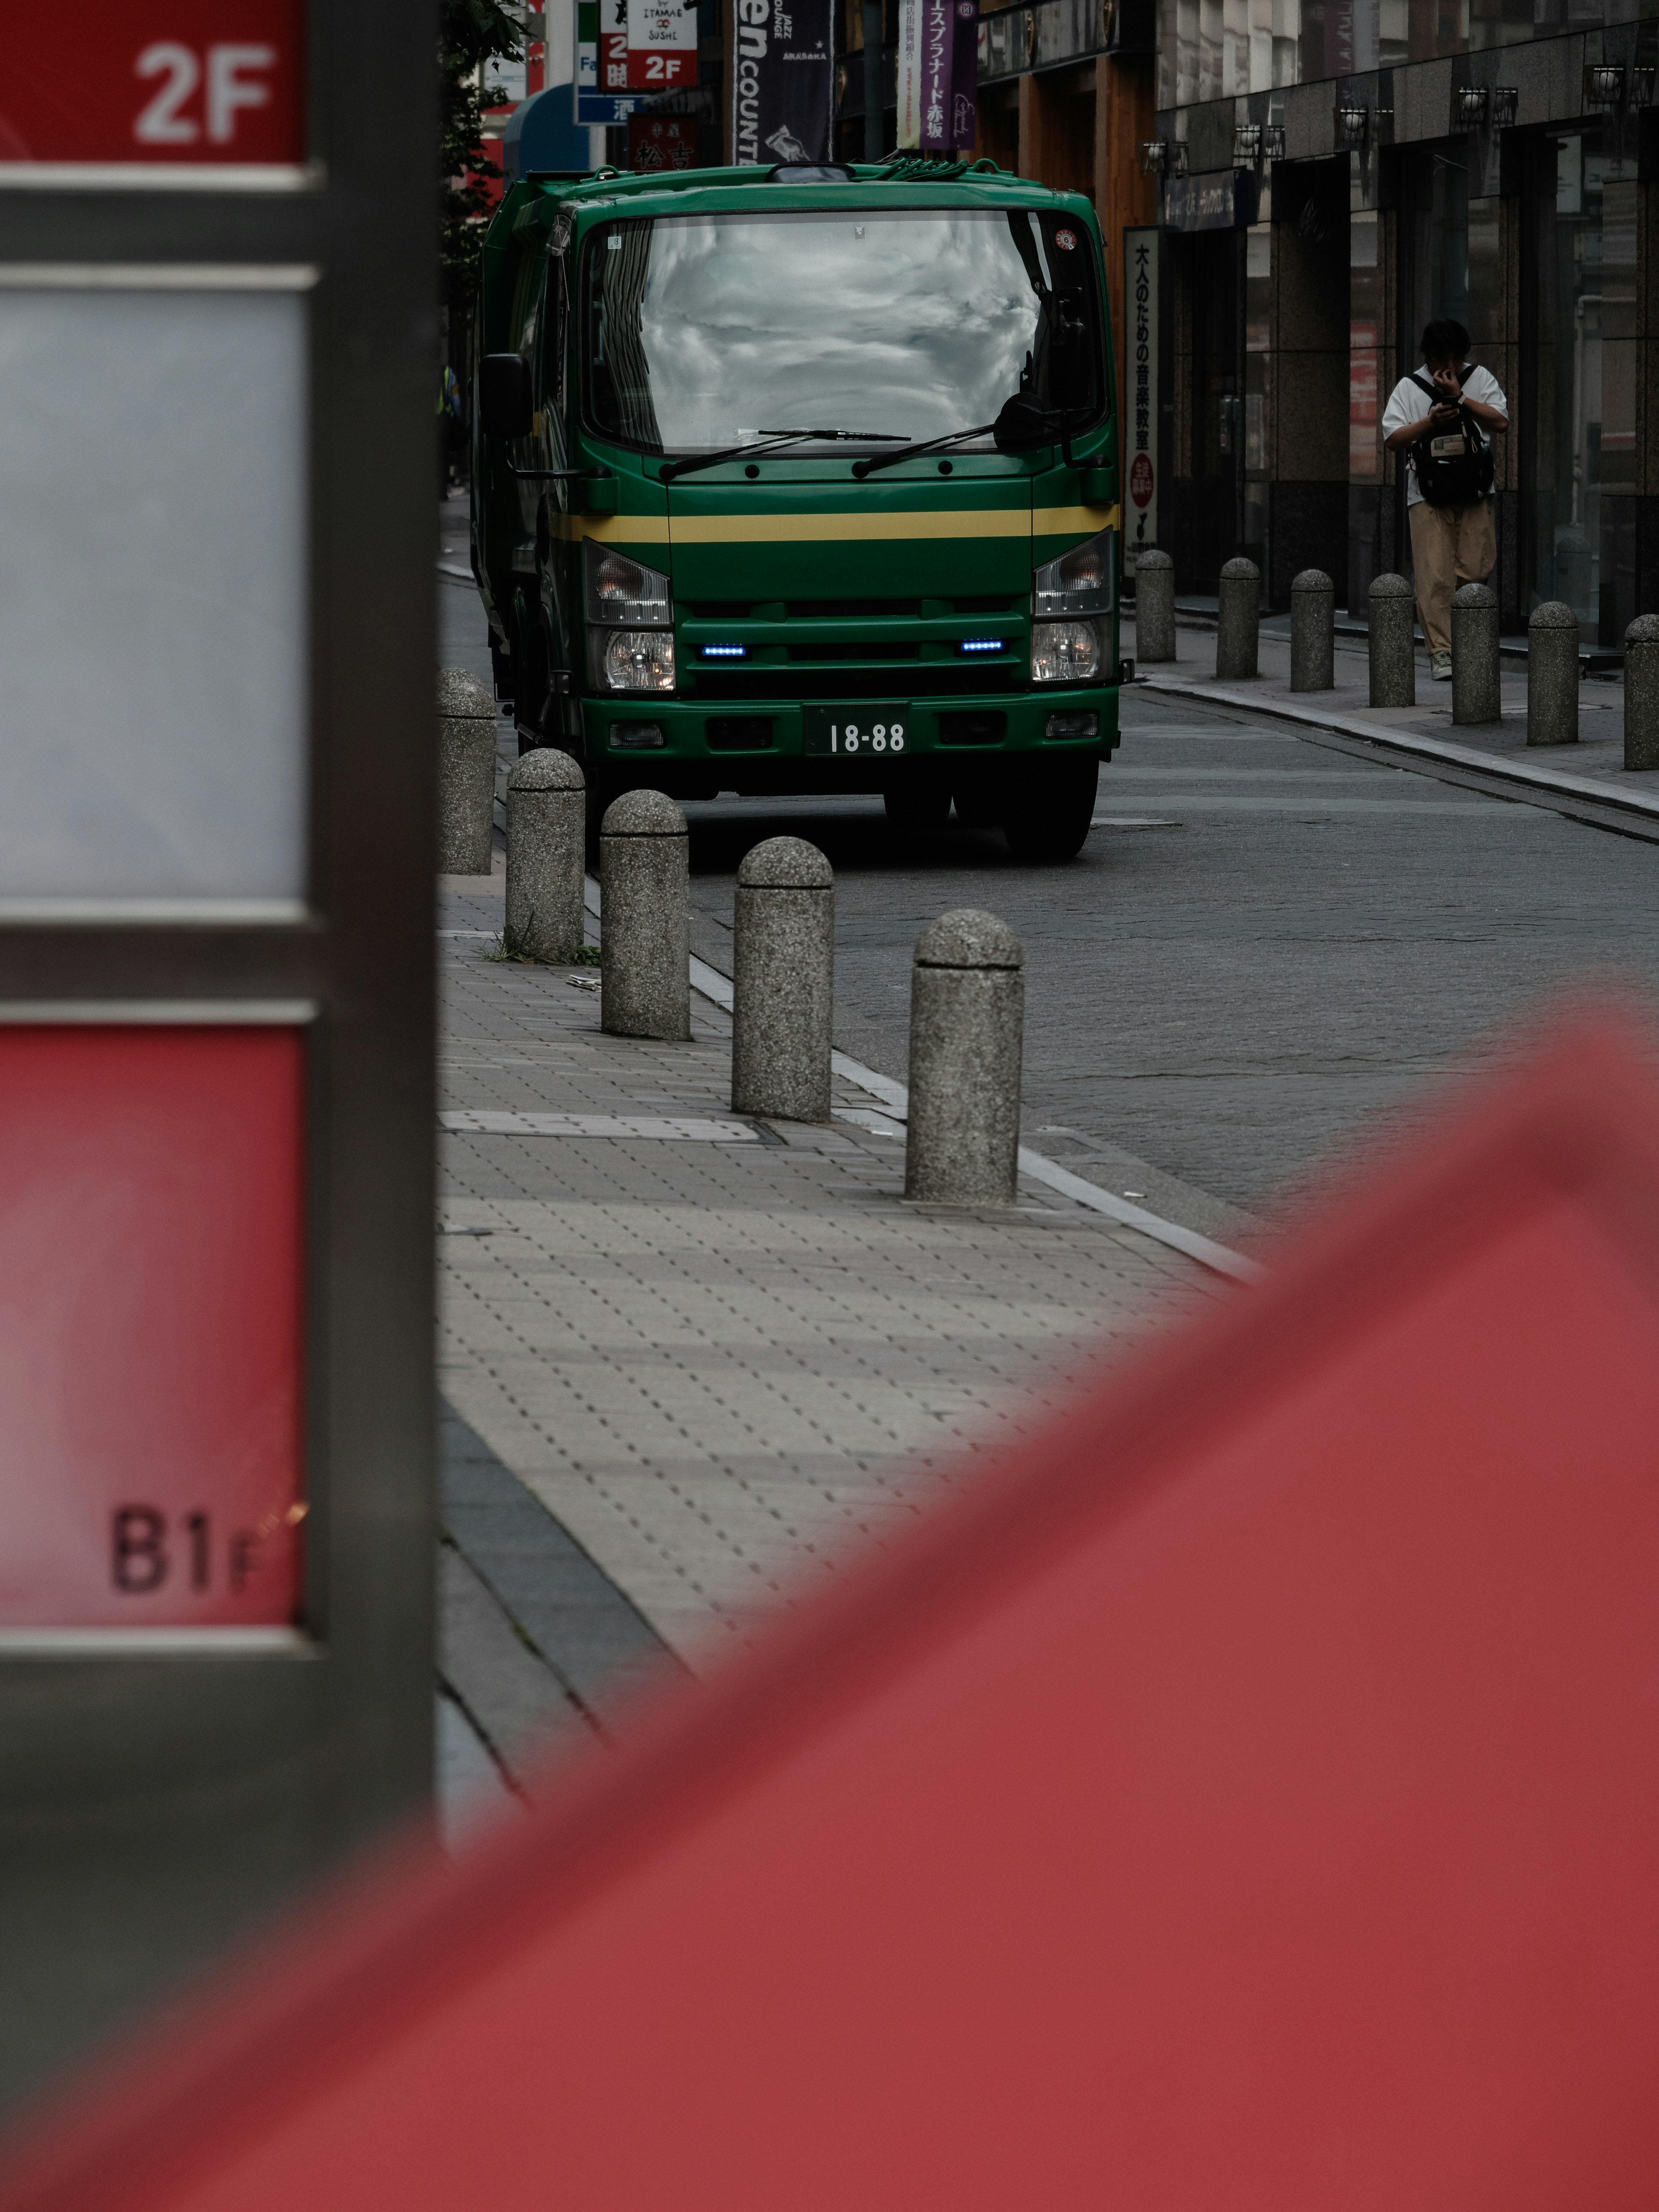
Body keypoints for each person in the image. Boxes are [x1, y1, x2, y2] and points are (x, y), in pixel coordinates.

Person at [1381, 318, 1508, 681]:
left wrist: (1462, 400)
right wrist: (1431, 422)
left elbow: (1501, 422)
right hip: (1427, 495)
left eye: (1455, 359)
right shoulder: (1410, 386)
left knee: (1477, 567)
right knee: (1434, 575)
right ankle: (1442, 652)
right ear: (1428, 357)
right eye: (1441, 360)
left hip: (1476, 490)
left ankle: (1468, 641)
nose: (1448, 368)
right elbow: (1392, 438)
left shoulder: (1479, 379)